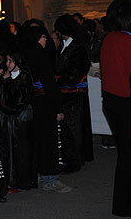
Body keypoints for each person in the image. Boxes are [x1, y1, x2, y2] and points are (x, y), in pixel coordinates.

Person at [100, 0, 131, 218]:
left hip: (111, 100)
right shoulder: (127, 41)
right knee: (128, 155)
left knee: (129, 150)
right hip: (124, 101)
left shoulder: (109, 38)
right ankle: (122, 204)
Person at [20, 25, 71, 193]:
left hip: (31, 104)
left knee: (37, 141)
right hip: (45, 103)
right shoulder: (40, 55)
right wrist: (58, 107)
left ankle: (40, 176)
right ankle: (50, 179)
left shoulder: (25, 53)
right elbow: (50, 84)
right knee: (48, 141)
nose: (46, 40)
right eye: (43, 37)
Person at [54, 14, 92, 173]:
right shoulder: (64, 44)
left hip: (74, 93)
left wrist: (58, 79)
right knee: (67, 127)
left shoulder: (77, 46)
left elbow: (75, 72)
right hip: (66, 92)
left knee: (73, 127)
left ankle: (74, 160)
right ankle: (70, 157)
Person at [0, 51, 36, 190]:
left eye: (11, 60)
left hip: (21, 119)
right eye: (7, 60)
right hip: (9, 118)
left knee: (22, 150)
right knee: (9, 148)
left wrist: (8, 81)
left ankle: (24, 179)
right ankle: (11, 179)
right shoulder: (5, 75)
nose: (8, 64)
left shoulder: (25, 77)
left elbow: (19, 100)